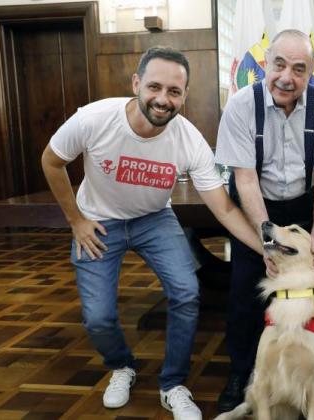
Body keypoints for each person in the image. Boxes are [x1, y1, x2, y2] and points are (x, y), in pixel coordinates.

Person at [41, 46, 263, 420]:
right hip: (98, 220)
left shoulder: (188, 139)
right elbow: (51, 160)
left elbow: (223, 207)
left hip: (154, 219)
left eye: (174, 92)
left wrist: (262, 247)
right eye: (155, 87)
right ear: (137, 84)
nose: (163, 99)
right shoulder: (94, 119)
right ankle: (121, 366)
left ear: (185, 94)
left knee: (187, 293)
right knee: (98, 318)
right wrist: (76, 220)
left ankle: (173, 384)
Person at [214, 29, 314, 412]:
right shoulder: (240, 106)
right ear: (265, 65)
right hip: (259, 206)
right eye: (279, 65)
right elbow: (245, 178)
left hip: (305, 206)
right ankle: (243, 371)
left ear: (311, 73)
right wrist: (267, 241)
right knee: (243, 291)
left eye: (299, 69)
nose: (287, 77)